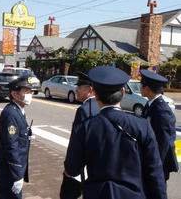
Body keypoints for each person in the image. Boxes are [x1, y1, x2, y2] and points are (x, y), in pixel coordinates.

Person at [64, 66, 167, 199]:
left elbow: (72, 169)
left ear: (95, 94)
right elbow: (155, 174)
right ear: (123, 92)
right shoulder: (142, 126)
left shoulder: (86, 127)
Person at [0, 76, 33, 199]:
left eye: (30, 92)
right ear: (14, 94)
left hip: (11, 170)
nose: (29, 95)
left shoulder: (18, 111)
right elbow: (11, 146)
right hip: (8, 172)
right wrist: (17, 176)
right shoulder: (11, 114)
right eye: (26, 92)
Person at [60, 71, 100, 199]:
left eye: (79, 88)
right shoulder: (100, 106)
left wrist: (70, 168)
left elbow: (77, 143)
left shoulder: (84, 110)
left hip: (83, 167)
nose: (76, 90)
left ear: (90, 90)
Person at [140, 69, 179, 181]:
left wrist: (154, 167)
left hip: (158, 164)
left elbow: (163, 142)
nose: (140, 89)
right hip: (150, 158)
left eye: (141, 86)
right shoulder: (150, 104)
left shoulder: (161, 111)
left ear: (147, 89)